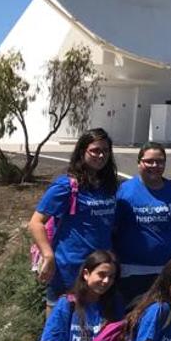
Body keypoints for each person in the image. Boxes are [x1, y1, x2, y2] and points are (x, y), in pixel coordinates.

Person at [29, 128, 119, 306]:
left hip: (101, 272)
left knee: (92, 329)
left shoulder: (109, 186)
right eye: (95, 150)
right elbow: (35, 222)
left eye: (105, 151)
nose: (100, 155)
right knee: (59, 327)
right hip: (69, 269)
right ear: (82, 152)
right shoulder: (67, 185)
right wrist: (48, 256)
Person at [114, 144, 171, 305]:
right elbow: (113, 229)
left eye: (160, 161)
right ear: (139, 163)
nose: (155, 166)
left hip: (168, 270)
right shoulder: (123, 191)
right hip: (131, 272)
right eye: (149, 161)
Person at [39, 250, 121, 341]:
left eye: (111, 277)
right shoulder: (67, 304)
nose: (106, 281)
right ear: (86, 274)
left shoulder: (115, 308)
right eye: (101, 274)